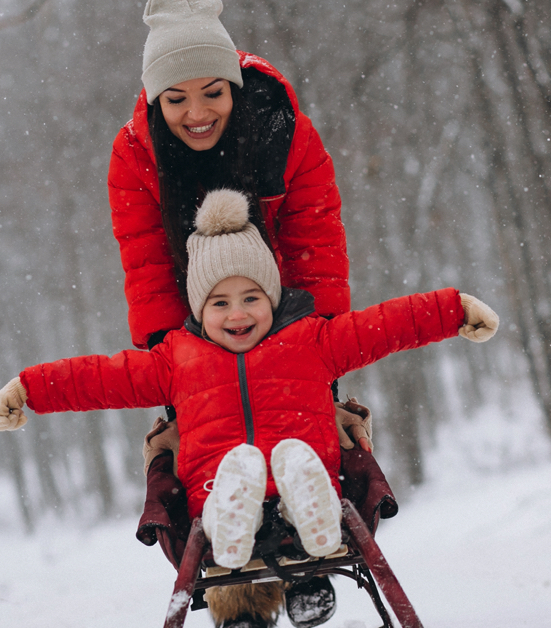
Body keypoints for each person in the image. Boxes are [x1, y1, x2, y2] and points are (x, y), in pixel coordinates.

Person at [0, 190, 499, 627]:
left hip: (306, 486)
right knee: (232, 488)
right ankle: (232, 533)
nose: (237, 313)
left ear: (272, 297)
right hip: (219, 499)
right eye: (220, 302)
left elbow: (385, 325)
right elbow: (100, 378)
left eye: (251, 297)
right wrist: (31, 390)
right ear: (198, 309)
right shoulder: (177, 361)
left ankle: (313, 527)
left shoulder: (311, 340)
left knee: (304, 472)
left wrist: (452, 310)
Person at [111, 4, 370, 622]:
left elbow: (317, 252)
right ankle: (237, 597)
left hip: (285, 311)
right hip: (197, 322)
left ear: (234, 84)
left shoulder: (285, 135)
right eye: (175, 100)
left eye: (212, 93)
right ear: (153, 102)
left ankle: (308, 555)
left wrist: (320, 354)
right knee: (209, 445)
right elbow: (148, 272)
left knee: (303, 425)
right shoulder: (135, 158)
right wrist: (178, 370)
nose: (196, 114)